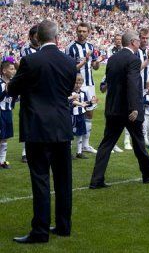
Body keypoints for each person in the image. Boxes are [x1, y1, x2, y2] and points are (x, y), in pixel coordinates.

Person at [9, 20, 76, 244]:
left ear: (37, 38)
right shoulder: (69, 61)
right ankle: (64, 226)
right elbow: (66, 89)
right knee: (64, 179)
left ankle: (40, 231)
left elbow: (13, 88)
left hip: (38, 127)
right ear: (57, 37)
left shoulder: (30, 60)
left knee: (40, 180)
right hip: (61, 125)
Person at [89, 30, 149, 189]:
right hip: (128, 110)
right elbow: (132, 85)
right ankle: (148, 174)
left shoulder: (113, 58)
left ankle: (96, 180)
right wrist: (134, 108)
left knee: (106, 144)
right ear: (132, 42)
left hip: (113, 108)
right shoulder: (133, 59)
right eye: (138, 40)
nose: (140, 43)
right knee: (139, 143)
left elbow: (110, 83)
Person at [66, 22, 103, 154]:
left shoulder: (90, 47)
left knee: (89, 112)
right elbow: (69, 69)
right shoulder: (71, 47)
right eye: (79, 31)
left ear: (88, 33)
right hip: (76, 86)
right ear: (76, 32)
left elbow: (94, 66)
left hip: (89, 84)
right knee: (74, 113)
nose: (81, 33)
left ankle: (85, 145)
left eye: (84, 31)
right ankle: (71, 146)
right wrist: (84, 61)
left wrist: (97, 62)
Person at [124, 28, 149, 150]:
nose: (144, 40)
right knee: (132, 112)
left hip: (147, 88)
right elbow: (136, 68)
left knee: (143, 115)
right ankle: (127, 140)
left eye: (146, 38)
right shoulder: (135, 51)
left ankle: (140, 138)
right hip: (136, 86)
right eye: (142, 38)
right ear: (138, 38)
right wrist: (148, 60)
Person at [18, 25, 40, 163]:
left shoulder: (42, 49)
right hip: (29, 89)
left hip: (40, 89)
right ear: (31, 36)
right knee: (28, 120)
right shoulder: (25, 50)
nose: (38, 39)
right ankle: (25, 152)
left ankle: (37, 148)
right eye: (37, 36)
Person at [70, 73, 98, 159]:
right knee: (70, 134)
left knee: (80, 133)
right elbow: (70, 104)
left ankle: (79, 152)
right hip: (73, 116)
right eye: (76, 83)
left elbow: (85, 104)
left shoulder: (83, 93)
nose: (78, 85)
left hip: (81, 116)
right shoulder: (70, 94)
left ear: (82, 83)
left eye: (80, 83)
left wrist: (91, 102)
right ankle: (69, 152)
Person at [0, 60, 16, 169]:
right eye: (11, 69)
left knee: (5, 138)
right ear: (4, 71)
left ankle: (2, 161)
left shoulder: (12, 83)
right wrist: (5, 90)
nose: (14, 70)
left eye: (14, 68)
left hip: (8, 113)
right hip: (0, 112)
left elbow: (14, 98)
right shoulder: (0, 83)